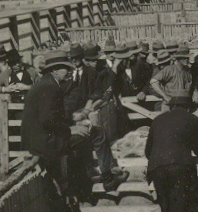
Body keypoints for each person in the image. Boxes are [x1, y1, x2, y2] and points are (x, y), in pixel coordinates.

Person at [21, 50, 129, 196]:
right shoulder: (50, 87)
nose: (69, 71)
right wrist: (70, 129)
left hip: (40, 140)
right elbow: (47, 119)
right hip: (48, 142)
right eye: (66, 68)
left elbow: (52, 117)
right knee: (97, 133)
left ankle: (86, 177)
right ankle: (109, 180)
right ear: (55, 70)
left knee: (85, 133)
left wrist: (73, 121)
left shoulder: (45, 84)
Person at [150, 46, 198, 111]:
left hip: (184, 105)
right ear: (178, 59)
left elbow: (192, 85)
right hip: (170, 106)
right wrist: (165, 96)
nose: (186, 60)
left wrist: (195, 93)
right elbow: (153, 81)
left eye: (187, 57)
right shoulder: (169, 69)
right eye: (183, 58)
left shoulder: (188, 72)